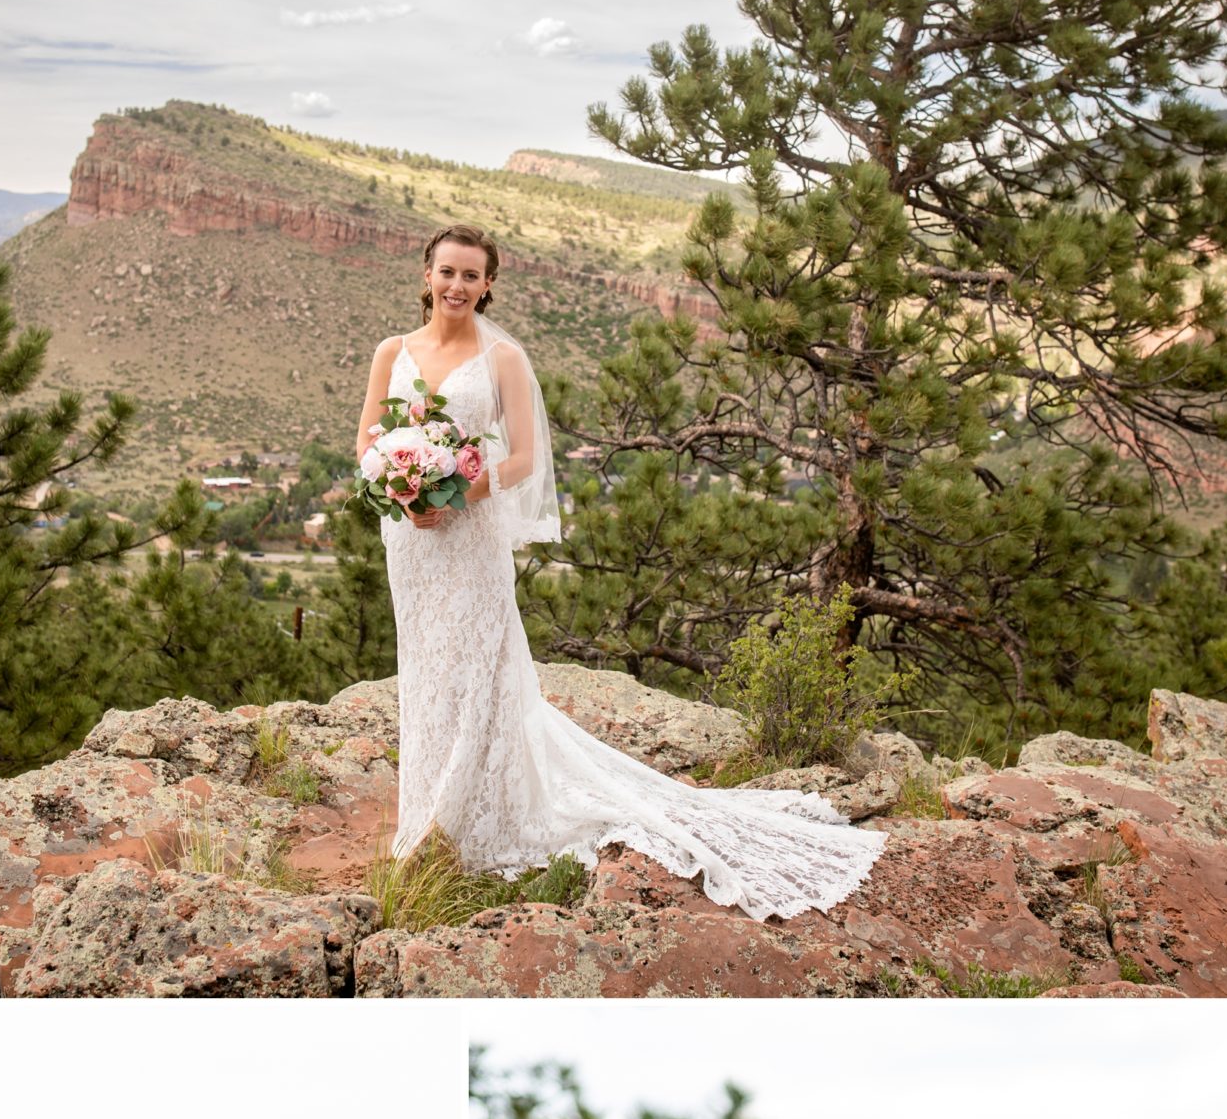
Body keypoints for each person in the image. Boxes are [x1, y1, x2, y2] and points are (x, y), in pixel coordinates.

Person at [354, 222, 884, 922]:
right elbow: (368, 439)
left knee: (479, 664)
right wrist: (405, 490)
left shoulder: (503, 356)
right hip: (413, 542)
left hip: (470, 532)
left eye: (471, 276)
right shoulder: (392, 351)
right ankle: (426, 810)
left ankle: (472, 815)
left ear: (488, 286)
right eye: (446, 272)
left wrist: (453, 490)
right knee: (426, 667)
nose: (457, 286)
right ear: (426, 275)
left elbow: (522, 461)